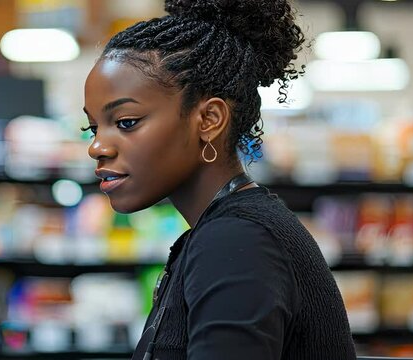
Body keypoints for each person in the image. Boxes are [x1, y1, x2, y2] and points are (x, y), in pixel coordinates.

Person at [82, 0, 357, 359]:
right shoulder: (229, 230)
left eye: (126, 122)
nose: (97, 147)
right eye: (92, 127)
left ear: (209, 119)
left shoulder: (237, 242)